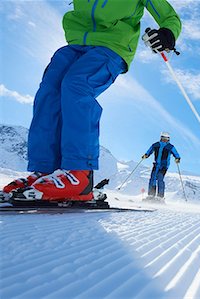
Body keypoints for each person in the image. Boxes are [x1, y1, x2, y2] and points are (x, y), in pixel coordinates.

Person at [2, 0, 182, 200]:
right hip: (76, 43)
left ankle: (79, 175)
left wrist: (167, 33)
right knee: (48, 92)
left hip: (112, 46)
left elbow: (169, 16)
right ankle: (46, 172)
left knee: (77, 85)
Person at [142, 132, 180, 199]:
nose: (164, 140)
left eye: (166, 138)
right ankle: (151, 195)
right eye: (163, 138)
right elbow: (150, 150)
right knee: (153, 178)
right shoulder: (156, 145)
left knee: (160, 178)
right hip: (156, 164)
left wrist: (177, 158)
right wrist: (146, 155)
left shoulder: (170, 147)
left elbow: (176, 153)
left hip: (164, 165)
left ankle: (160, 197)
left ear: (168, 139)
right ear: (161, 138)